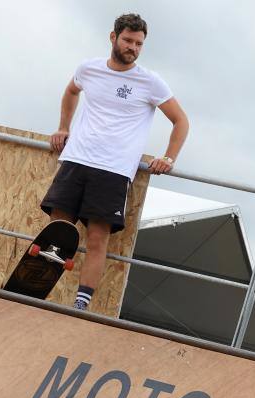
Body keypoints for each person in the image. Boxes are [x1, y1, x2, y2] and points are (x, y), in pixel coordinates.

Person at [44, 13, 189, 311]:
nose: (133, 47)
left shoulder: (150, 82)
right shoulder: (89, 68)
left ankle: (80, 306)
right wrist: (63, 127)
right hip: (76, 160)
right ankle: (37, 292)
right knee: (57, 231)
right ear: (113, 37)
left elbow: (180, 121)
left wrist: (168, 157)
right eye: (128, 40)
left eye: (139, 44)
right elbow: (71, 91)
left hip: (113, 171)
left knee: (98, 239)